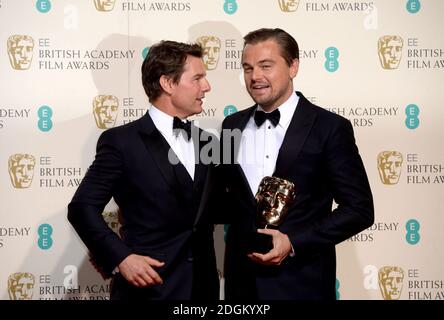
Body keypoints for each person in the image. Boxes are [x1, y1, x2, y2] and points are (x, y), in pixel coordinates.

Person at [218, 28, 374, 300]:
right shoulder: (231, 126)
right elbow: (224, 201)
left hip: (302, 283)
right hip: (241, 286)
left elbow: (359, 209)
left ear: (293, 66)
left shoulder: (330, 128)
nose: (255, 77)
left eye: (266, 66)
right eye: (247, 68)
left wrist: (293, 242)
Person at [67, 40, 219, 300]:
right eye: (198, 78)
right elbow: (82, 208)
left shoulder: (208, 141)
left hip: (203, 289)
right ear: (168, 84)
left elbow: (217, 207)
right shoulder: (122, 141)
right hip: (148, 290)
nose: (207, 86)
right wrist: (119, 257)